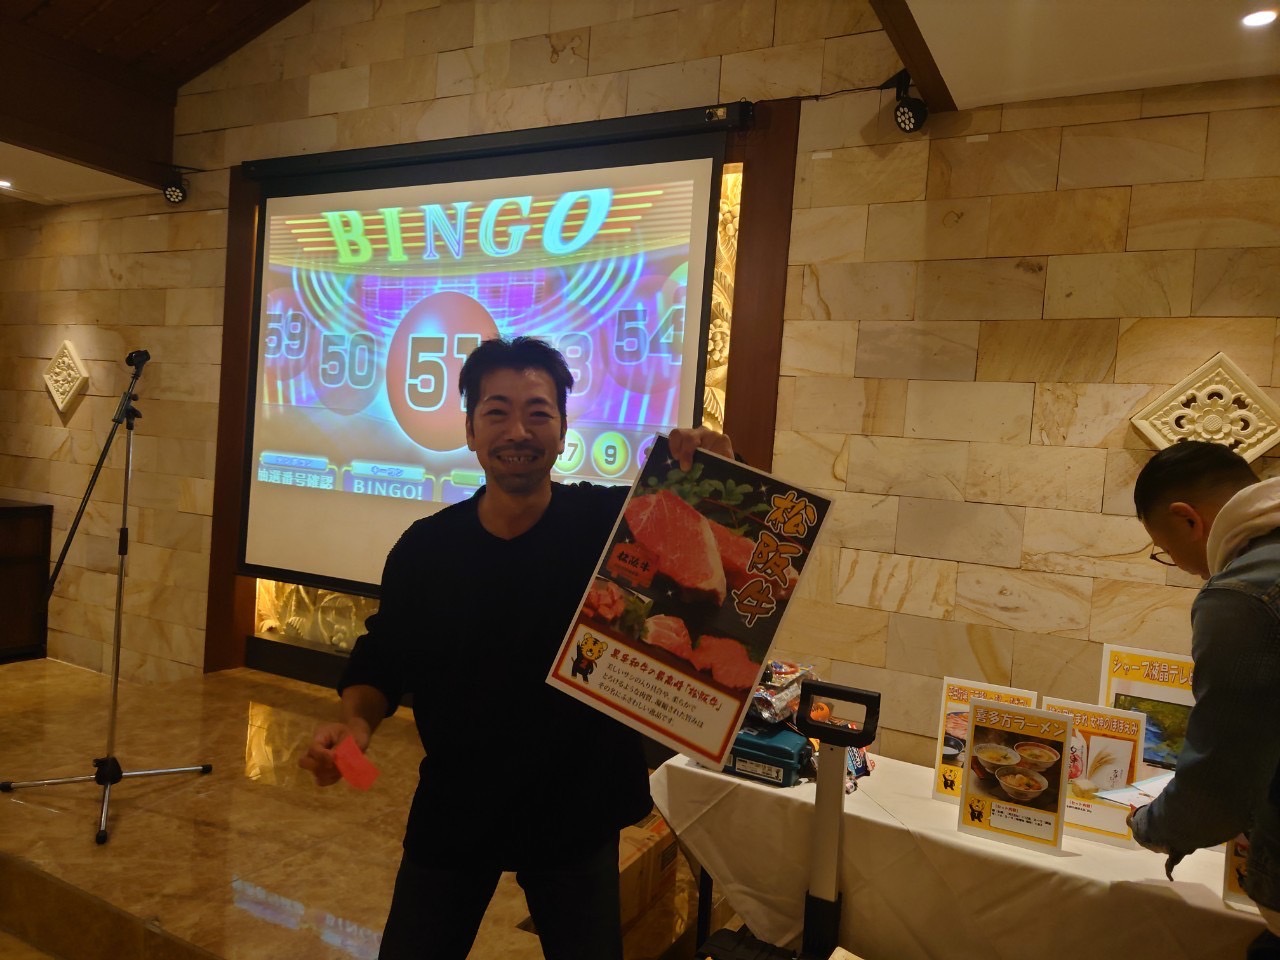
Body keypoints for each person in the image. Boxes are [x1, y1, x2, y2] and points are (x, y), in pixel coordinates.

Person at [300, 335, 734, 960]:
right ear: (470, 430)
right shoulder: (426, 549)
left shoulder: (611, 527)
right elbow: (384, 657)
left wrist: (716, 471)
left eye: (538, 413)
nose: (518, 431)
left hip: (575, 808)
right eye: (497, 411)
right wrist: (355, 726)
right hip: (458, 803)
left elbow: (707, 539)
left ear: (563, 431)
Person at [1129, 440, 1280, 953]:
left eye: (1167, 552)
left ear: (1187, 518)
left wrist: (1150, 824)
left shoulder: (1243, 594)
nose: (1191, 569)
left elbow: (1220, 781)